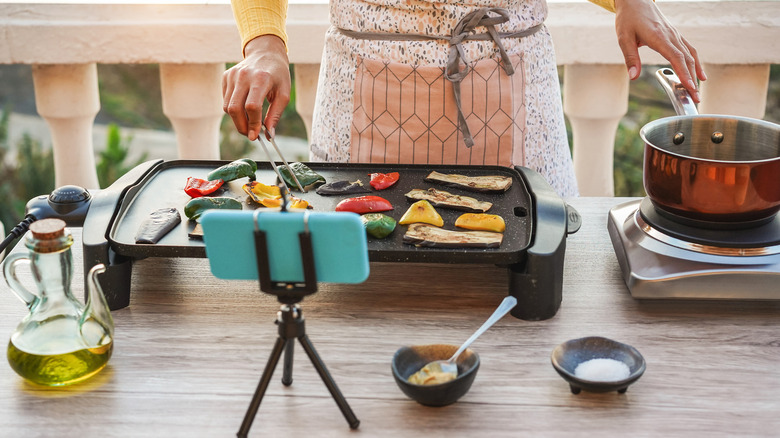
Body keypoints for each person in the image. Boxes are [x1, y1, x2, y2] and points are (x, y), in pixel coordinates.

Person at [223, 0, 705, 197]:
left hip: (517, 92)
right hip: (359, 96)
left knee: (533, 274)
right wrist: (264, 40)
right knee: (362, 290)